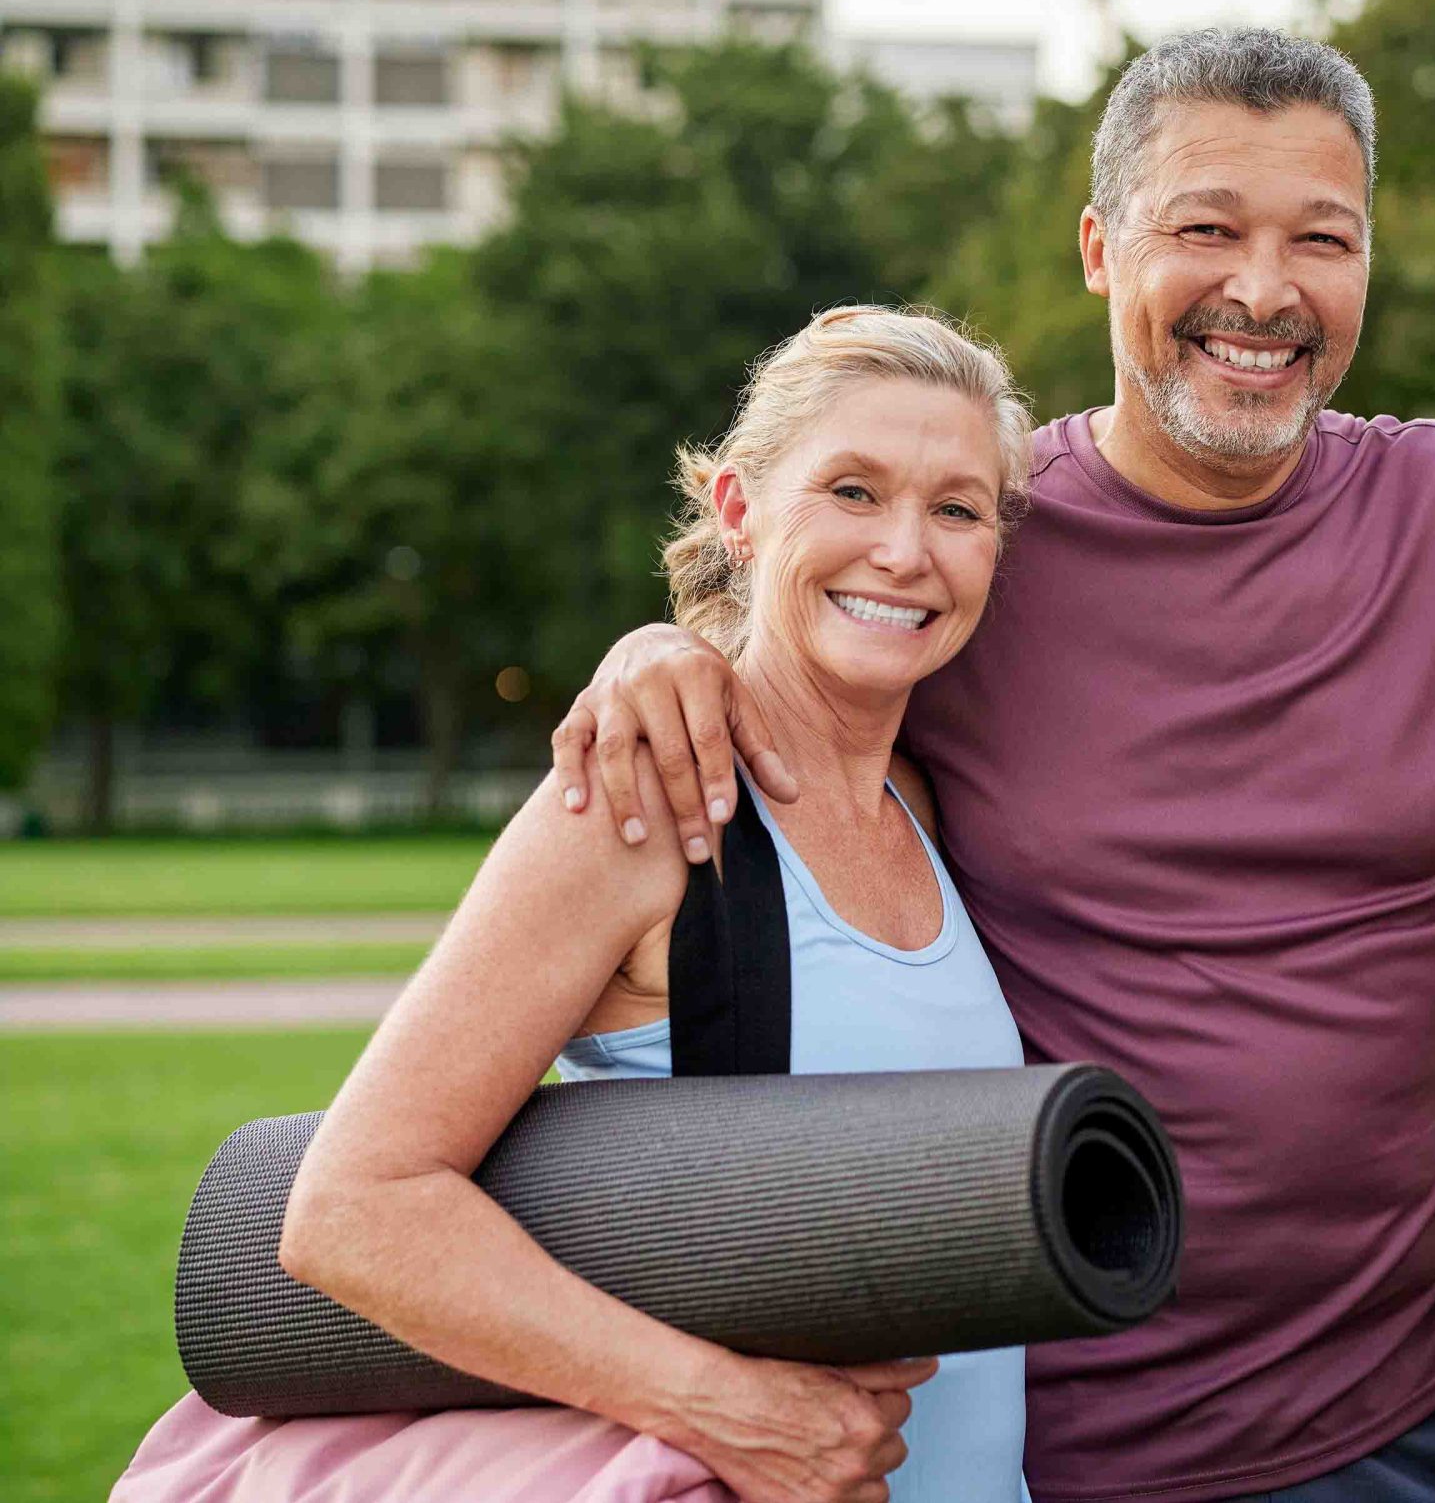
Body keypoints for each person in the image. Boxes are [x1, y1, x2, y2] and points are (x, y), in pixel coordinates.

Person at [550, 31, 1435, 1502]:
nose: (1263, 291)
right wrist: (663, 646)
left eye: (1319, 240)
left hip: (1417, 1416)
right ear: (1098, 249)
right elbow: (811, 650)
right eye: (1206, 229)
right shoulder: (985, 545)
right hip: (1050, 1427)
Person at [274, 306, 1039, 1503]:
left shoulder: (920, 800)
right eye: (850, 490)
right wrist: (721, 1411)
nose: (905, 551)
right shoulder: (633, 806)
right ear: (738, 511)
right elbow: (350, 1208)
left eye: (957, 508)